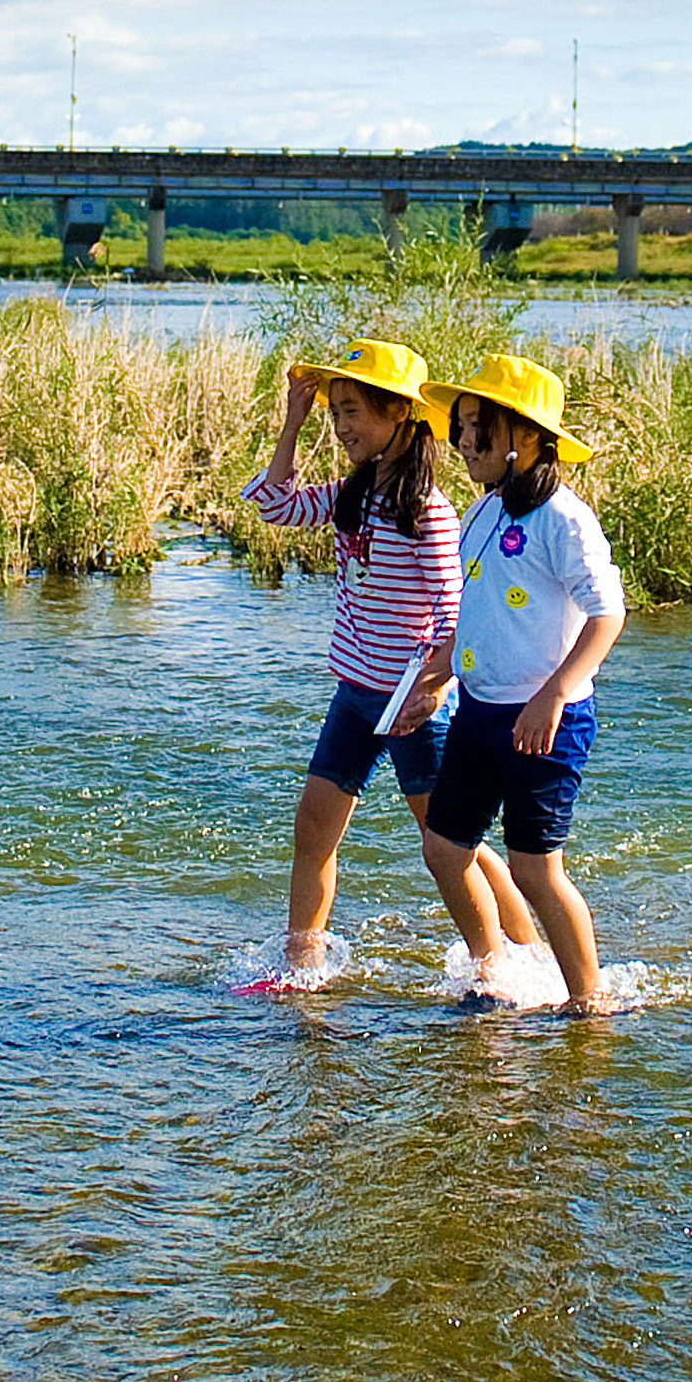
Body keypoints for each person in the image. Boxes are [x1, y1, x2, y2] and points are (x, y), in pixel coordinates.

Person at [237, 340, 549, 995]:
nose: (342, 425)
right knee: (312, 831)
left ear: (400, 416)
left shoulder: (429, 514)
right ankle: (301, 970)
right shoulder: (351, 496)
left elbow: (460, 618)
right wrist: (291, 424)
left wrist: (436, 691)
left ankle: (508, 962)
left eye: (353, 410)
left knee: (453, 849)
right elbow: (274, 504)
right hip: (355, 696)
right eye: (335, 412)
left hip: (416, 707)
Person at [414, 351, 629, 1014]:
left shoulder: (564, 519)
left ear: (529, 438)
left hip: (546, 723)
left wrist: (555, 692)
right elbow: (477, 613)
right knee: (445, 849)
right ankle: (494, 968)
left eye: (481, 427)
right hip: (479, 716)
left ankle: (589, 1002)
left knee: (535, 868)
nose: (466, 441)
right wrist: (440, 666)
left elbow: (608, 614)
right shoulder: (482, 514)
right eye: (462, 425)